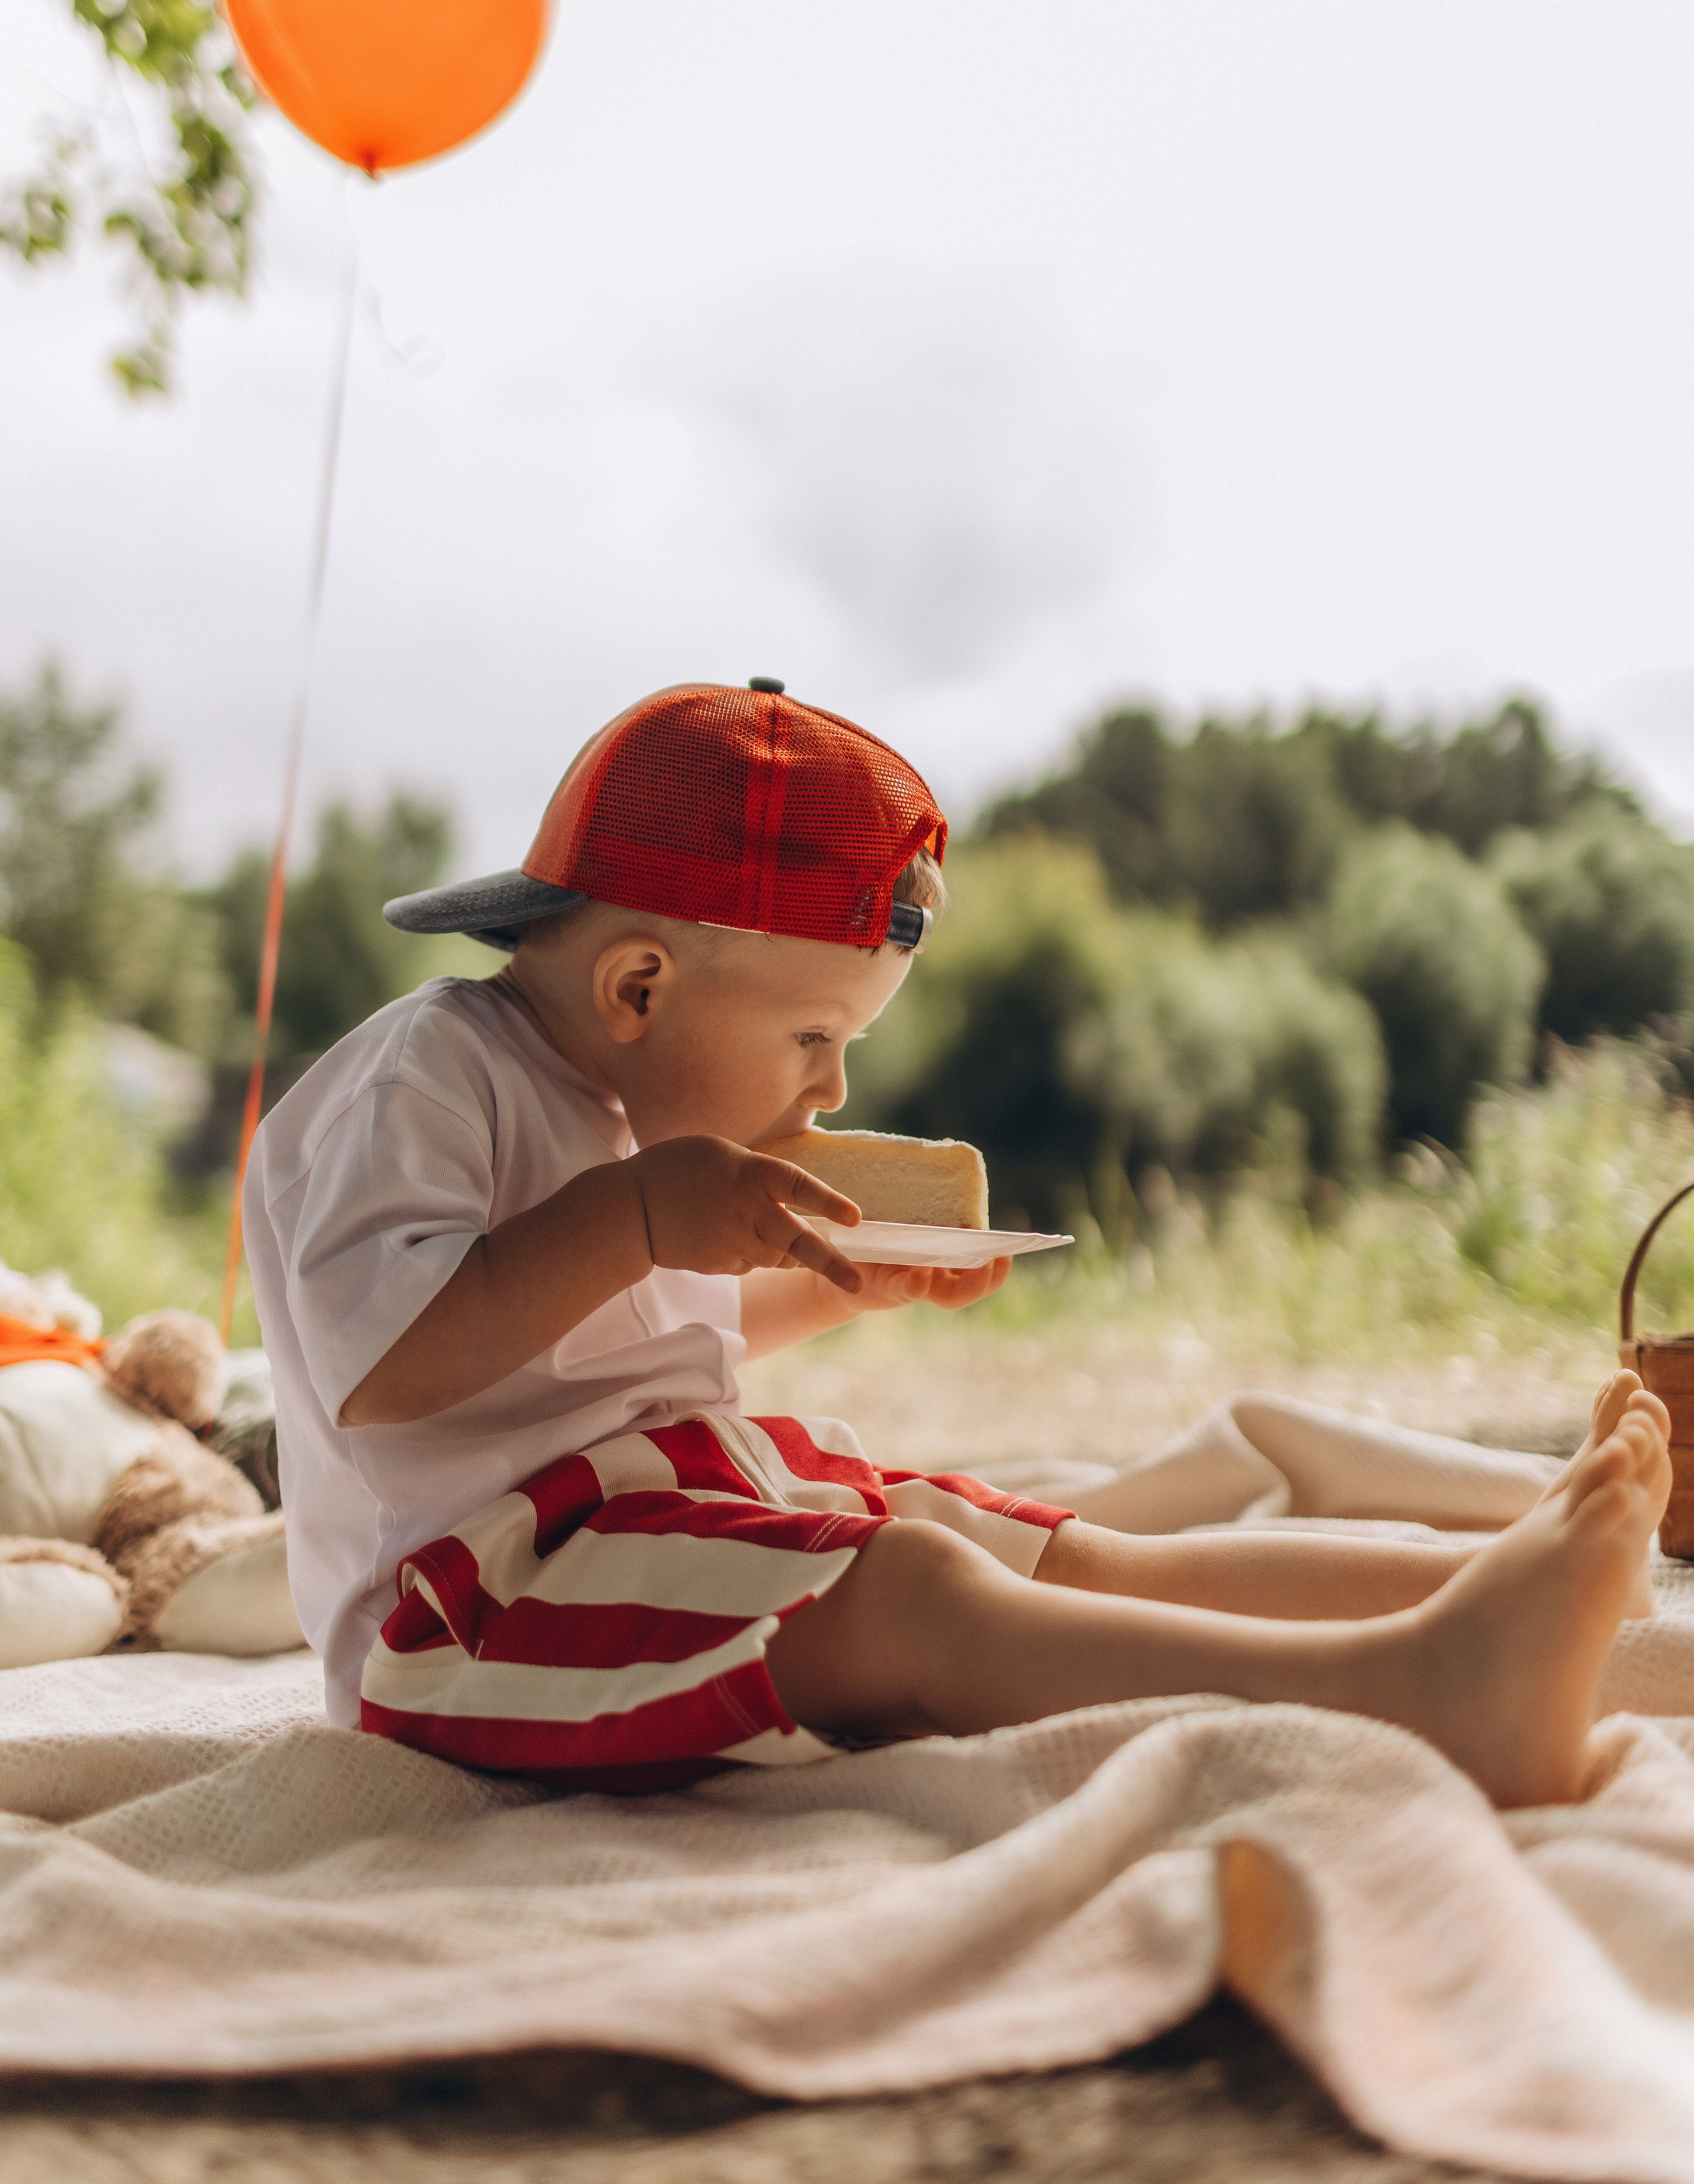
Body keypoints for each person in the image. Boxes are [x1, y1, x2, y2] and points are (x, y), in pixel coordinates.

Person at [246, 680, 1670, 1812]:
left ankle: (1526, 1591)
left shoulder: (627, 1099)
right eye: (814, 1036)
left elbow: (640, 1328)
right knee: (913, 1595)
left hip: (660, 1506)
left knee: (1048, 1548)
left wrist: (843, 1287)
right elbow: (383, 1363)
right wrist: (633, 1216)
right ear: (636, 985)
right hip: (479, 1607)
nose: (831, 1086)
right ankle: (1424, 1688)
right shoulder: (428, 1077)